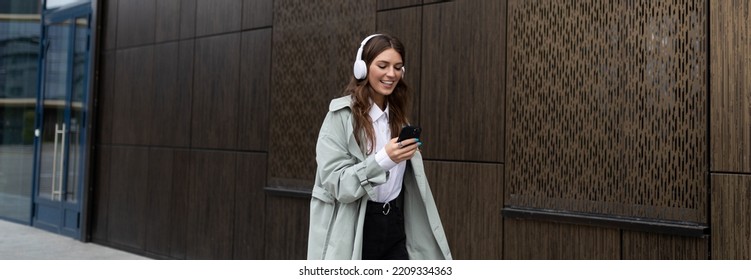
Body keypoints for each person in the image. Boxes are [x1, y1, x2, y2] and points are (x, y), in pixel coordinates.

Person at [307, 33, 452, 260]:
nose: (391, 74)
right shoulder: (340, 117)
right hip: (357, 225)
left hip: (395, 223)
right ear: (362, 69)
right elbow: (337, 183)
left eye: (398, 67)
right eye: (382, 65)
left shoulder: (398, 120)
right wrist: (384, 159)